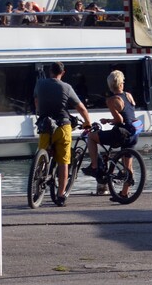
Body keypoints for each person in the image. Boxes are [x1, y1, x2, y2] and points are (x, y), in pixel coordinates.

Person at [33, 61, 92, 207]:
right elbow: (81, 108)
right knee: (64, 162)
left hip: (46, 126)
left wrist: (40, 112)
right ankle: (60, 196)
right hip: (62, 126)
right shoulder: (67, 87)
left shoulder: (40, 84)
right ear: (63, 73)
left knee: (42, 157)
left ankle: (37, 186)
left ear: (50, 71)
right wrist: (87, 123)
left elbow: (36, 101)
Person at [84, 69, 137, 181]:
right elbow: (128, 116)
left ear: (110, 85)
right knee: (128, 168)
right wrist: (111, 120)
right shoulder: (129, 95)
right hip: (133, 133)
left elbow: (119, 120)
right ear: (121, 83)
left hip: (121, 134)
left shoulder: (111, 100)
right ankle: (127, 190)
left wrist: (107, 120)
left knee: (91, 136)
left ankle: (94, 167)